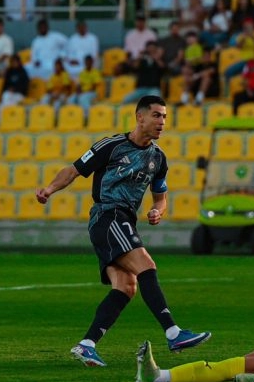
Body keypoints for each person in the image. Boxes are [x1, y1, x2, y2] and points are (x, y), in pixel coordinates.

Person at [35, 96, 212, 367]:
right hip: (108, 216)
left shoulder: (158, 158)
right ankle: (173, 333)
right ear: (139, 117)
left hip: (124, 220)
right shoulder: (111, 146)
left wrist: (157, 210)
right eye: (156, 115)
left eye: (164, 116)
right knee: (146, 265)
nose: (162, 122)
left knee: (127, 287)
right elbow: (74, 170)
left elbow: (160, 195)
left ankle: (87, 344)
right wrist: (49, 189)